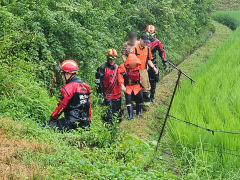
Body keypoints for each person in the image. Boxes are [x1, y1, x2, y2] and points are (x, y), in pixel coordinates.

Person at [48, 60, 91, 130]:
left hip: (70, 123)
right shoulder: (86, 87)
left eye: (63, 74)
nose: (62, 77)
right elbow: (88, 106)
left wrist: (53, 118)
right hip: (84, 124)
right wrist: (88, 122)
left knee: (47, 127)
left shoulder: (68, 88)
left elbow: (61, 107)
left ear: (68, 74)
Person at [129, 33, 158, 108]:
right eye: (144, 41)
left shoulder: (147, 49)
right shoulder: (134, 48)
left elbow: (149, 60)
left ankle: (145, 106)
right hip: (135, 71)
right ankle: (135, 106)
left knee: (146, 88)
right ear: (140, 39)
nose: (145, 43)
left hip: (144, 71)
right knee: (135, 88)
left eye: (146, 42)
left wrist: (154, 68)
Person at [95, 49, 122, 123]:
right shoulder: (102, 68)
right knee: (108, 117)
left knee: (117, 116)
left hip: (117, 95)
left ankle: (117, 131)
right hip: (107, 96)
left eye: (114, 58)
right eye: (110, 58)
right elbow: (98, 82)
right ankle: (108, 131)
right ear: (107, 58)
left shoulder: (118, 68)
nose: (112, 60)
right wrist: (100, 94)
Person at [146, 25, 167, 102]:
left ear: (154, 33)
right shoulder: (143, 41)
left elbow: (162, 52)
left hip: (152, 63)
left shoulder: (157, 42)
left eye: (151, 34)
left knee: (153, 80)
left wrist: (164, 61)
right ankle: (144, 97)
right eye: (148, 33)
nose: (150, 35)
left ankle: (152, 96)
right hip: (143, 63)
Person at [118, 54, 143, 119]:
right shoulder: (123, 67)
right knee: (128, 99)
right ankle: (130, 115)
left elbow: (141, 75)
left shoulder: (138, 66)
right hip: (128, 86)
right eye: (132, 63)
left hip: (137, 85)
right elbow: (120, 76)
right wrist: (122, 85)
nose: (133, 64)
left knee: (140, 98)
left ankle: (138, 112)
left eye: (134, 63)